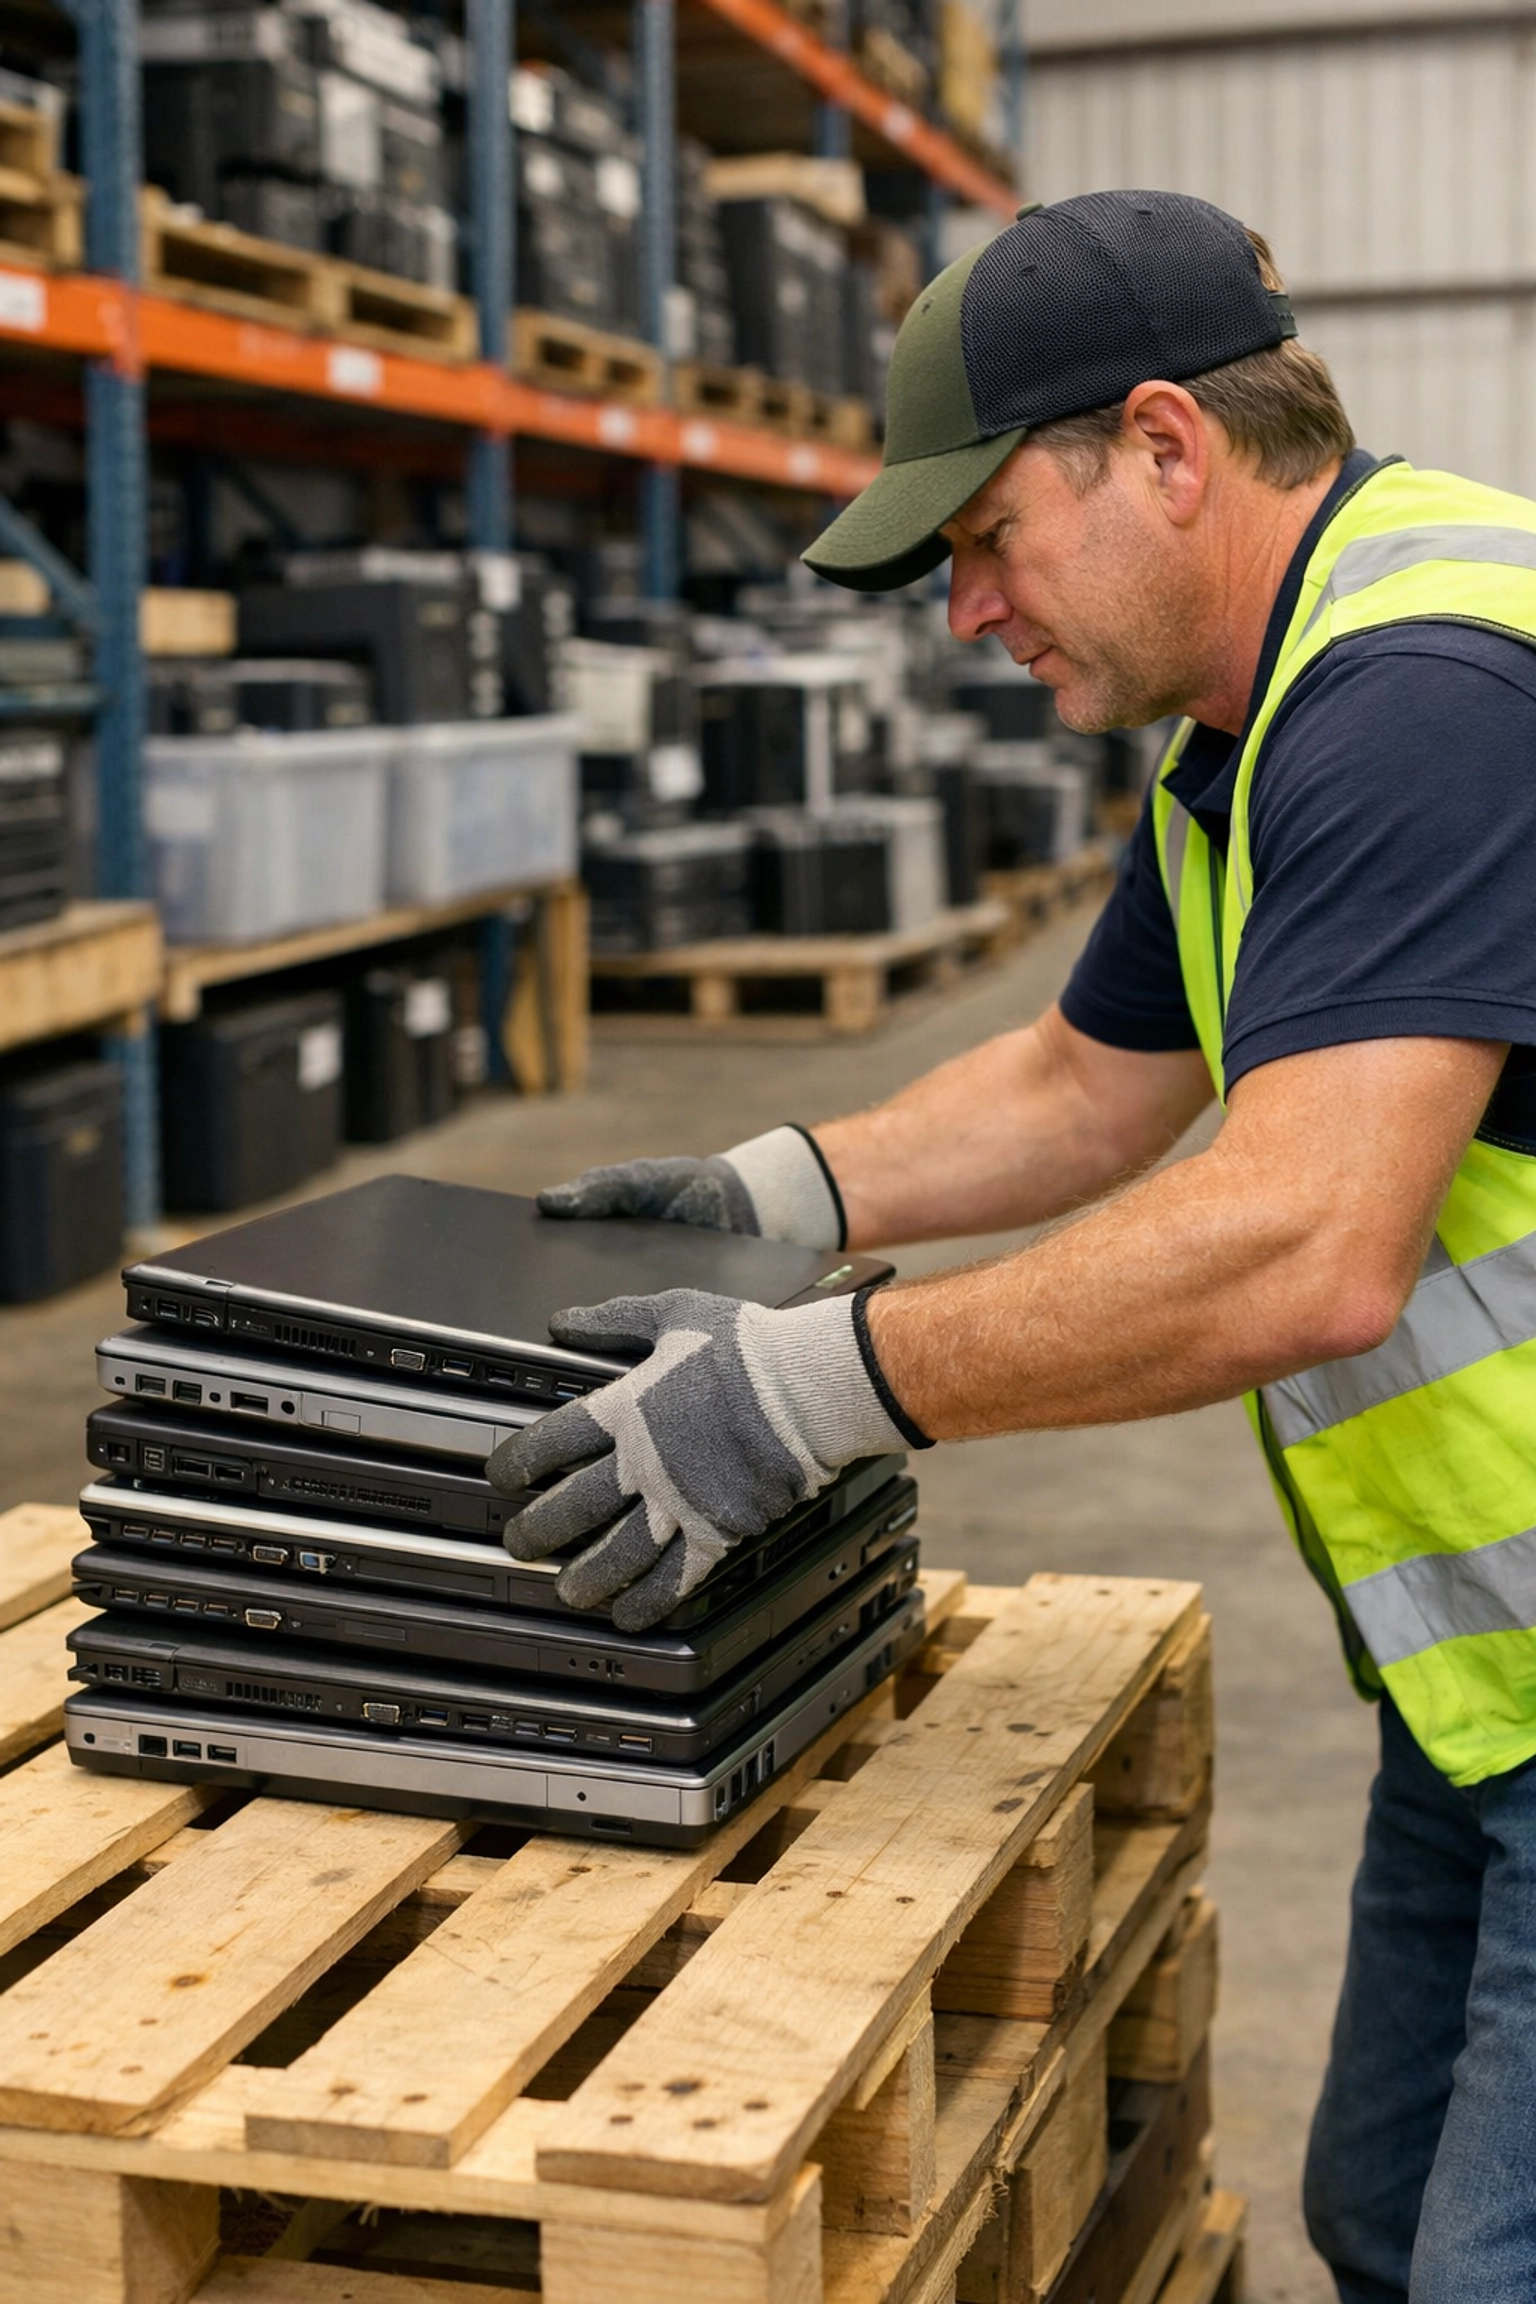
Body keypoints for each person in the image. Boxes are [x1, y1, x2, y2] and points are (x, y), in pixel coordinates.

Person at [485, 191, 1536, 2302]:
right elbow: (1090, 1083)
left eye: (985, 541)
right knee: (1377, 2223)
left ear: (1166, 446)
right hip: (1487, 1683)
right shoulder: (1246, 726)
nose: (965, 611)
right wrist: (770, 1193)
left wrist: (809, 1395)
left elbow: (1310, 1244)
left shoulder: (1421, 694)